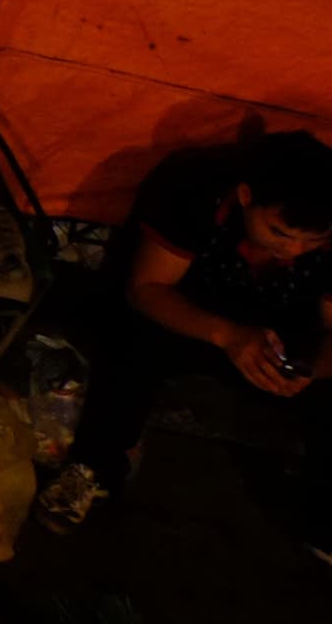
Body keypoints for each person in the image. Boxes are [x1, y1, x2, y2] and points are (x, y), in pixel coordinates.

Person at [48, 132, 332, 543]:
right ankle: (93, 468)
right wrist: (229, 336)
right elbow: (146, 288)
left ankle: (323, 520)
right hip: (190, 310)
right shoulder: (194, 189)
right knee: (131, 338)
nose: (294, 251)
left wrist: (311, 369)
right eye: (280, 234)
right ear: (246, 196)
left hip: (275, 328)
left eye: (313, 241)